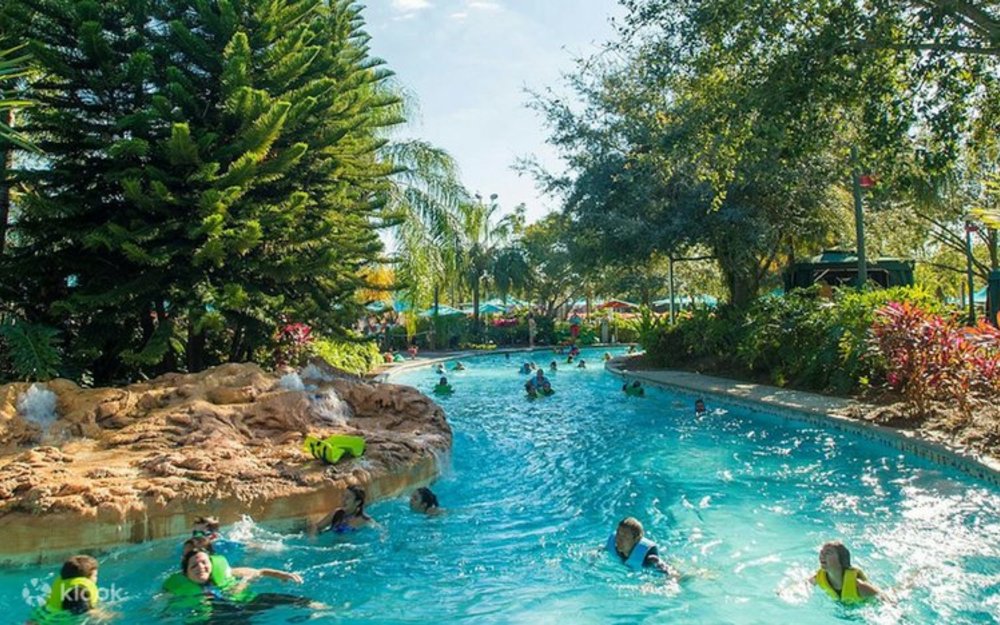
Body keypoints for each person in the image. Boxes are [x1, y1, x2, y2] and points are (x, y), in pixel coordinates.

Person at [25, 555, 106, 623]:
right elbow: (82, 609)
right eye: (95, 576)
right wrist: (103, 615)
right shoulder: (79, 590)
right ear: (87, 577)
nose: (96, 578)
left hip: (43, 616)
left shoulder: (64, 583)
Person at [811, 541, 880, 604]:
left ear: (841, 560)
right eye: (821, 552)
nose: (822, 555)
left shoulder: (859, 586)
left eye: (828, 553)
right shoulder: (818, 578)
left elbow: (882, 597)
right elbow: (804, 585)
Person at [606, 517, 676, 576]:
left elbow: (669, 572)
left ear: (636, 539)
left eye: (625, 536)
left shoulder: (649, 559)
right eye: (618, 533)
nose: (618, 539)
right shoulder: (614, 547)